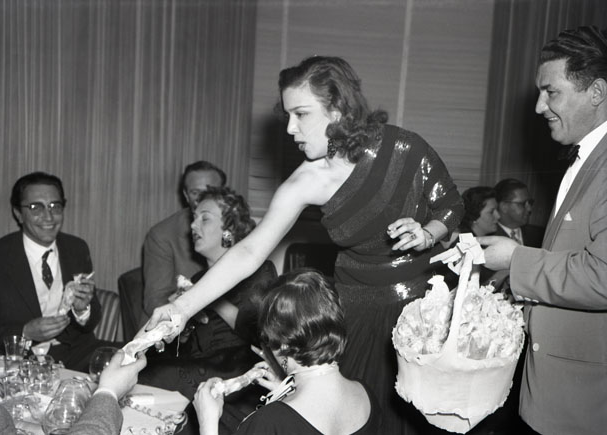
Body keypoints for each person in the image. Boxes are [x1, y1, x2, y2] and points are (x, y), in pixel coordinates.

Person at [145, 56, 464, 434]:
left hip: (421, 308)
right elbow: (249, 250)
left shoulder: (404, 147)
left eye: (301, 114)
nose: (290, 128)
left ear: (338, 109)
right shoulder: (305, 182)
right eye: (287, 115)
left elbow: (451, 206)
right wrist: (181, 308)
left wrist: (428, 232)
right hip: (357, 312)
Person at [479, 26, 607, 435]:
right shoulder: (584, 158)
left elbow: (603, 277)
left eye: (551, 92)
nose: (539, 107)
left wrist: (516, 260)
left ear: (597, 92)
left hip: (582, 403)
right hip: (550, 389)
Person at [141, 186, 276, 434]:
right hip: (202, 364)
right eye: (194, 218)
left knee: (156, 375)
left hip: (240, 368)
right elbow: (192, 345)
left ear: (229, 229)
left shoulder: (260, 271)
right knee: (146, 366)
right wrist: (181, 329)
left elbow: (258, 331)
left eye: (204, 218)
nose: (193, 226)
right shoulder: (197, 278)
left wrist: (204, 298)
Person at [0, 262, 147, 435]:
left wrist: (81, 310)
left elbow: (94, 316)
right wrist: (108, 392)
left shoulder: (75, 248)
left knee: (135, 359)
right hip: (24, 358)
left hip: (76, 350)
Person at [193, 269, 381, 434]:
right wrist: (288, 393)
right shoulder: (367, 396)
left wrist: (207, 423)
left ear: (283, 346)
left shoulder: (268, 421)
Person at [0, 172, 112, 371]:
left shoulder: (76, 248)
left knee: (139, 359)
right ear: (18, 213)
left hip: (78, 354)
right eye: (36, 207)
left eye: (55, 206)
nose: (48, 216)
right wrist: (25, 332)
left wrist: (82, 310)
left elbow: (91, 322)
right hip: (19, 361)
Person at [143, 161, 227, 316]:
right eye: (195, 192)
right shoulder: (162, 235)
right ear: (186, 195)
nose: (203, 199)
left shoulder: (237, 229)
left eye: (210, 192)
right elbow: (155, 300)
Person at [493, 178, 544, 247]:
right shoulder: (488, 237)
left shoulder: (540, 235)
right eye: (522, 204)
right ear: (504, 207)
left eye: (530, 202)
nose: (529, 209)